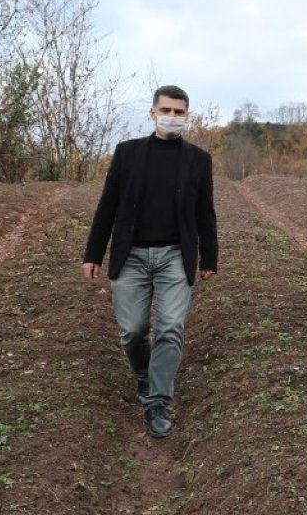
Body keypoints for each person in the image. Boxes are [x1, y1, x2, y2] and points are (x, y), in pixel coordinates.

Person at [81, 85, 218, 438]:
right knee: (133, 330)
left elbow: (205, 213)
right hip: (131, 255)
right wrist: (93, 253)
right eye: (166, 110)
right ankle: (143, 373)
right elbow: (108, 205)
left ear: (187, 116)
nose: (172, 117)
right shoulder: (127, 153)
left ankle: (156, 401)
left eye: (179, 112)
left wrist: (209, 257)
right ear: (152, 112)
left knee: (170, 327)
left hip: (175, 255)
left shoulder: (198, 160)